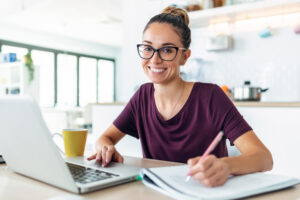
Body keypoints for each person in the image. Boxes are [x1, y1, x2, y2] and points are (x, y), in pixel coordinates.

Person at [88, 6, 273, 187]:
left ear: (184, 56)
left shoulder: (211, 97)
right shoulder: (142, 96)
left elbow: (263, 158)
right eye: (147, 48)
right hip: (156, 193)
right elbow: (105, 138)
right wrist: (105, 147)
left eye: (167, 50)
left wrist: (226, 165)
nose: (154, 59)